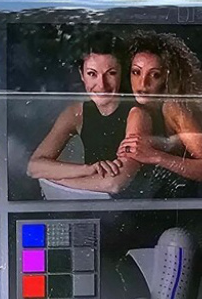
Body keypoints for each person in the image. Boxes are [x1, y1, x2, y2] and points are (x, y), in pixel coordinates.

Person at [26, 33, 152, 196]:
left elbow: (114, 184)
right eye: (92, 74)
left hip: (132, 208)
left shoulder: (137, 114)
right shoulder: (76, 112)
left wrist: (58, 179)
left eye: (111, 73)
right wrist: (87, 169)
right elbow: (34, 167)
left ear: (122, 73)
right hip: (93, 204)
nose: (102, 85)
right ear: (82, 75)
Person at [117, 32, 202, 196]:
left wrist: (156, 156)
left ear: (167, 78)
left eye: (155, 75)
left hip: (191, 200)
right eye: (136, 72)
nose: (143, 83)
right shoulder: (135, 110)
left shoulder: (173, 108)